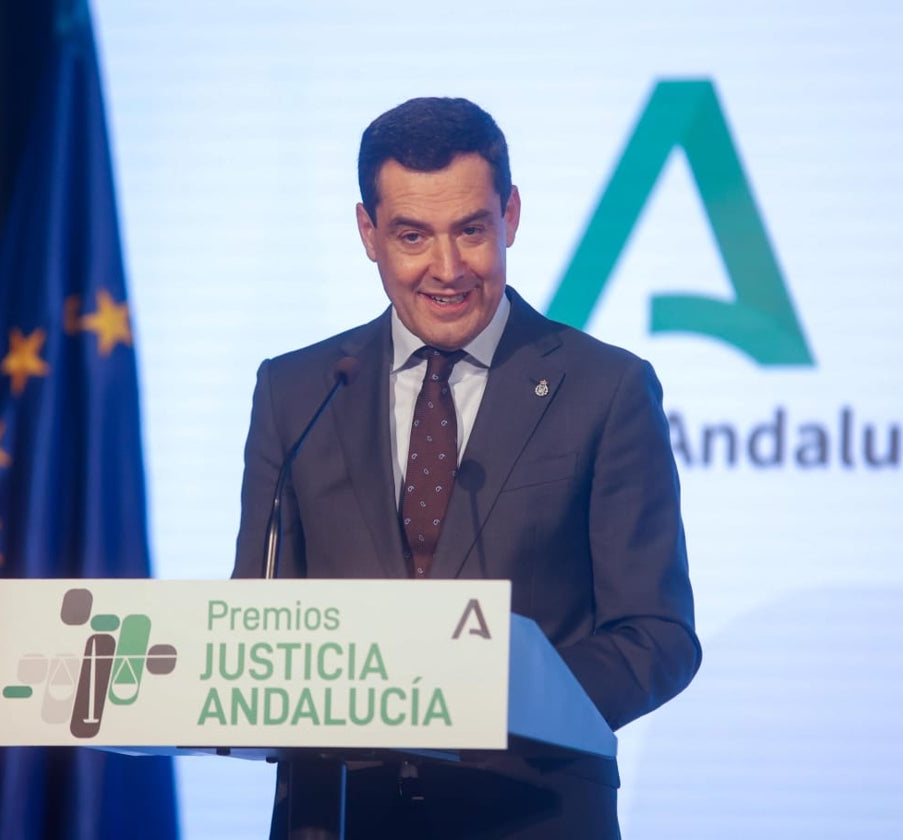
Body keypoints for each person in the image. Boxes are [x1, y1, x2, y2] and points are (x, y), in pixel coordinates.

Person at [232, 97, 700, 839]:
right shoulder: (298, 392)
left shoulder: (604, 388)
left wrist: (498, 696)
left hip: (530, 811)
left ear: (509, 216)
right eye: (412, 236)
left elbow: (657, 636)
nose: (446, 270)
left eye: (471, 231)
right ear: (368, 233)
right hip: (337, 815)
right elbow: (258, 620)